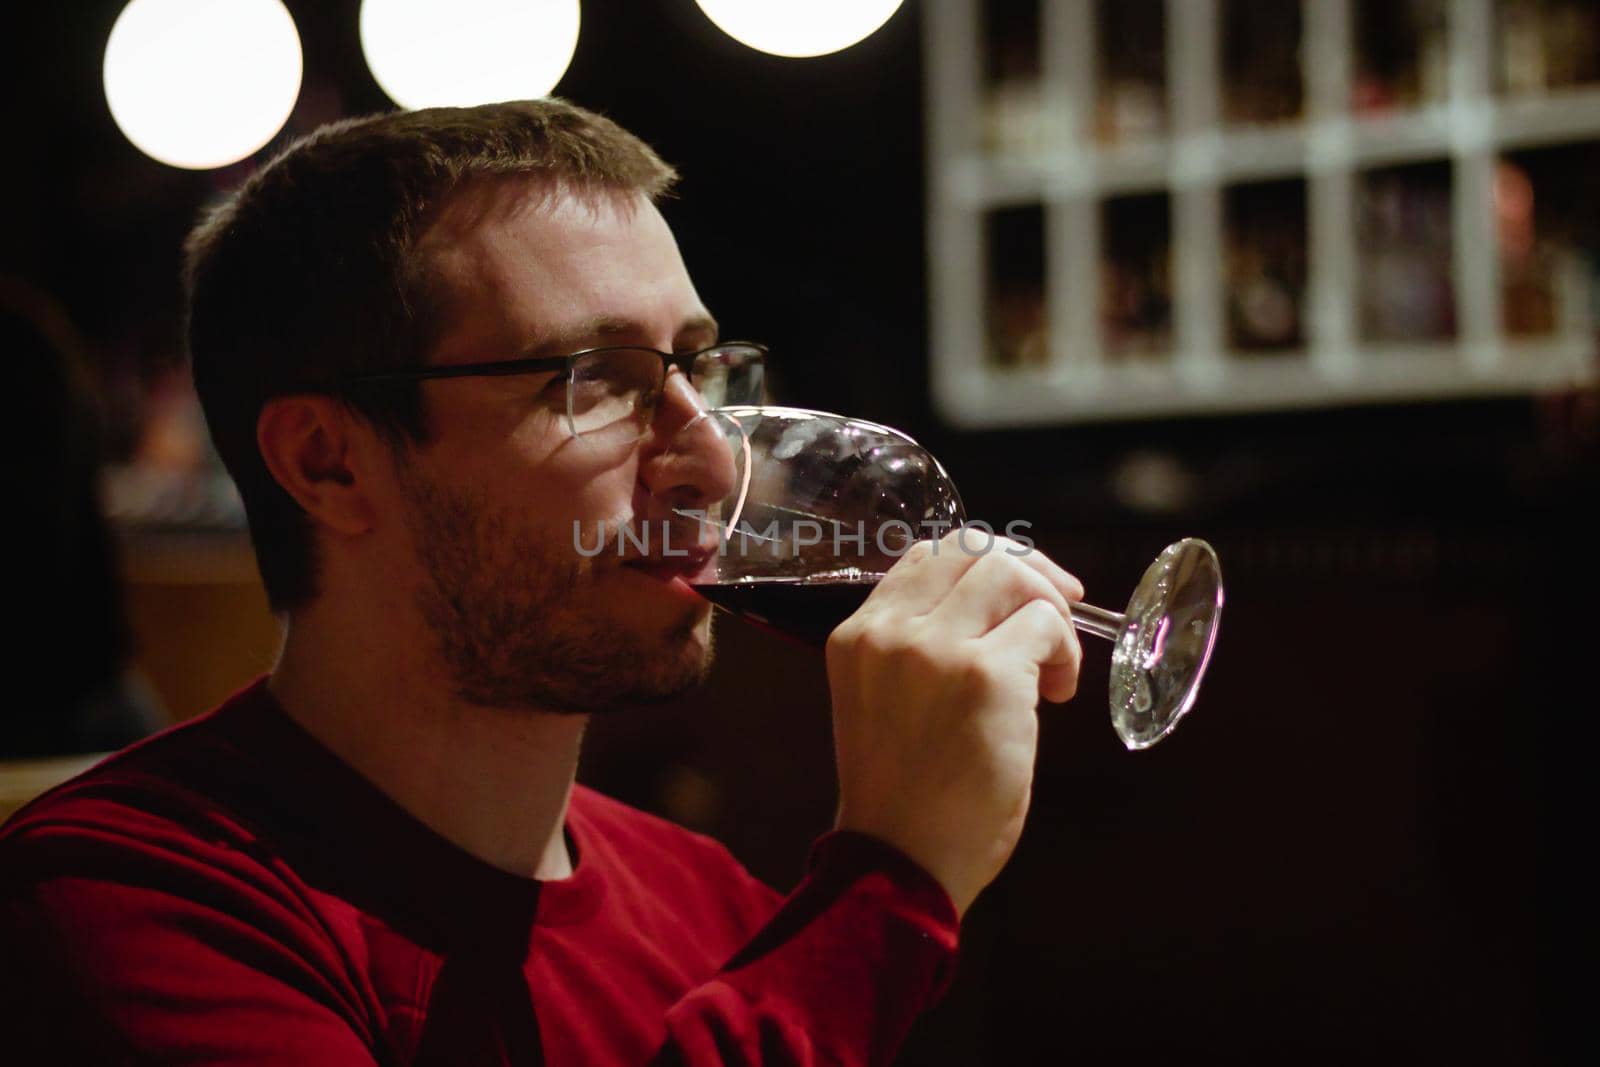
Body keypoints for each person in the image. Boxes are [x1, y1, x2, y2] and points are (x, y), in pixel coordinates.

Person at [0, 99, 1084, 1065]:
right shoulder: (122, 901)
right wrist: (887, 882)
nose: (709, 457)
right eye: (595, 380)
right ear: (329, 461)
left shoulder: (710, 901)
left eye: (698, 369)